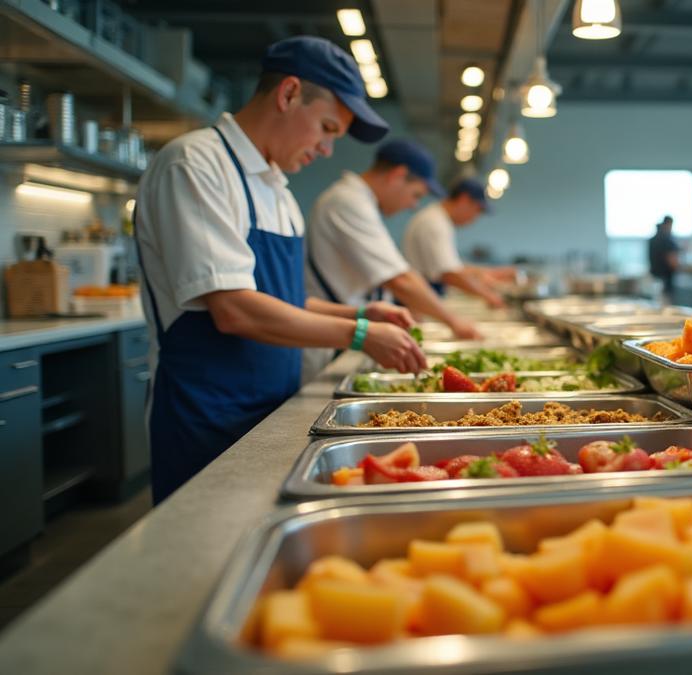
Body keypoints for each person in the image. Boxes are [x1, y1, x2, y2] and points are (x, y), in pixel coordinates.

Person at [134, 37, 426, 503]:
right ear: (289, 94)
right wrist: (357, 336)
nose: (329, 149)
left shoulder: (279, 192)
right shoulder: (195, 166)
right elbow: (234, 310)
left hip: (273, 410)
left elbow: (282, 298)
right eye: (327, 128)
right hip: (205, 415)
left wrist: (359, 317)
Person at [303, 139, 482, 382]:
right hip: (331, 340)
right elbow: (400, 279)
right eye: (415, 194)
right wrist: (454, 322)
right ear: (398, 176)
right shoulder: (348, 202)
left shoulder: (360, 202)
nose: (413, 205)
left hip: (347, 333)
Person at [402, 179, 514, 308]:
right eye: (477, 210)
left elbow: (452, 267)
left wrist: (487, 273)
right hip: (419, 300)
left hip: (424, 297)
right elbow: (449, 274)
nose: (475, 218)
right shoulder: (435, 223)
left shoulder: (438, 219)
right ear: (464, 199)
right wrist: (489, 296)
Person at [648, 215, 681, 300]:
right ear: (669, 224)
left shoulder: (653, 240)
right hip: (665, 282)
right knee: (665, 307)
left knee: (656, 305)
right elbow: (673, 263)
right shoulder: (667, 240)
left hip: (653, 280)